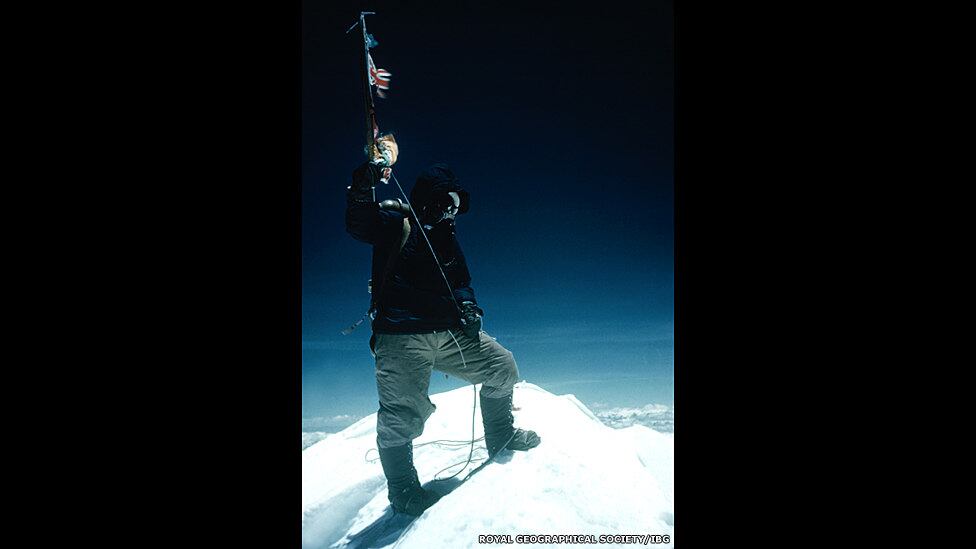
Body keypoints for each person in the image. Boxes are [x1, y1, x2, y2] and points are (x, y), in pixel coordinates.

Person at [345, 160, 541, 516]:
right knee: (402, 414)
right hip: (402, 335)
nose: (451, 211)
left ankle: (501, 437)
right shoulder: (395, 223)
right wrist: (362, 185)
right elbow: (359, 223)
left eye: (455, 205)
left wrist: (469, 308)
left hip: (449, 333)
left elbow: (461, 282)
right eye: (444, 203)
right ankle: (403, 490)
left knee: (501, 365)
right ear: (427, 201)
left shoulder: (447, 238)